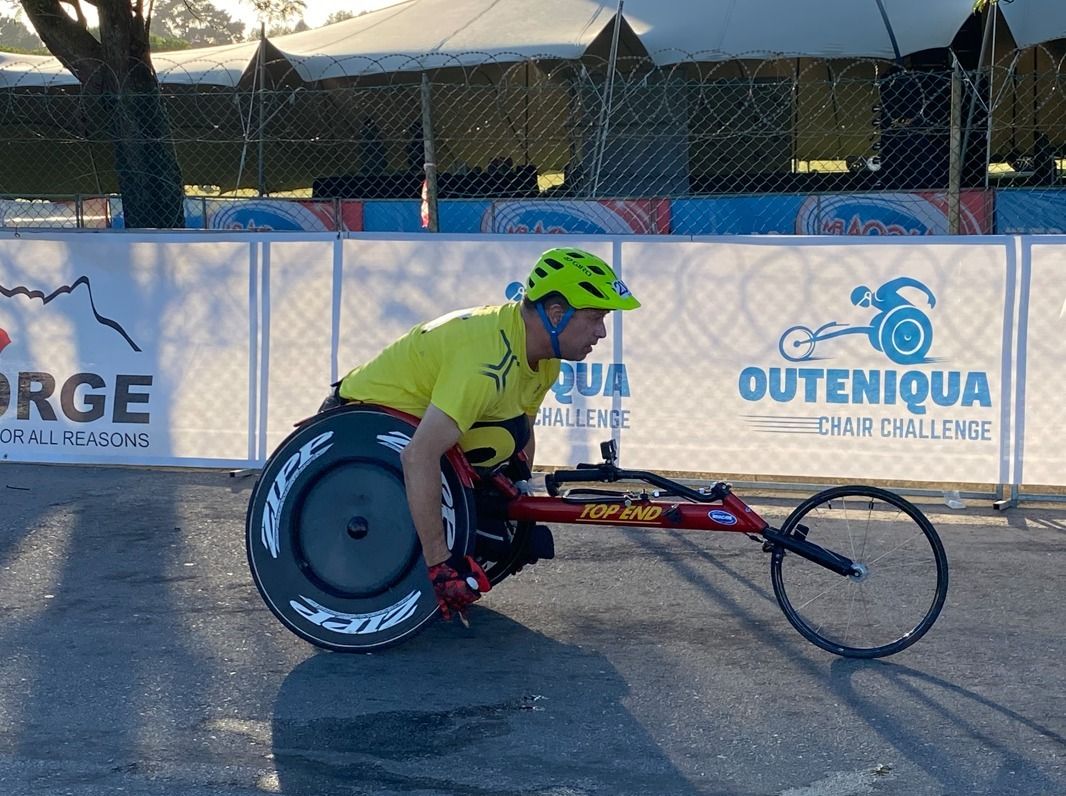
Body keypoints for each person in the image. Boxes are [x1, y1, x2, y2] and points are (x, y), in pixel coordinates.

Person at [320, 247, 640, 621]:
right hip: (357, 432)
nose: (601, 332)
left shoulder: (545, 359)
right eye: (595, 318)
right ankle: (430, 556)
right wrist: (440, 566)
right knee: (483, 510)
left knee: (509, 519)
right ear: (556, 313)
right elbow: (418, 456)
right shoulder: (486, 362)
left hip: (424, 431)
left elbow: (523, 433)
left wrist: (520, 502)